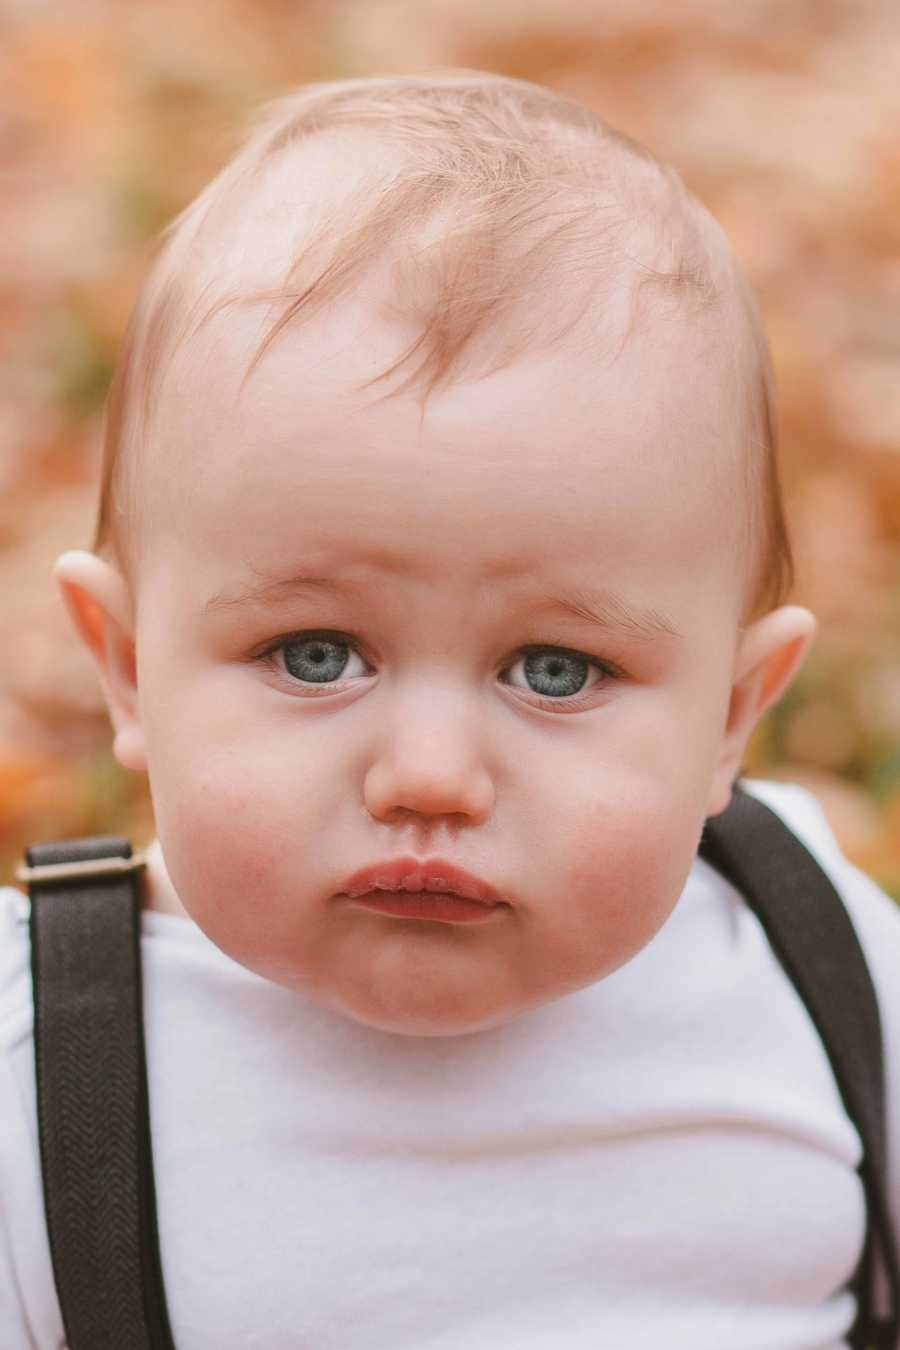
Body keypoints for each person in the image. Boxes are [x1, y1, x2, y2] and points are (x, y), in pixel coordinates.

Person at [1, 69, 898, 1348]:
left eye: (555, 671)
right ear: (128, 668)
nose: (428, 775)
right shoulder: (45, 1074)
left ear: (732, 714)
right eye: (316, 655)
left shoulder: (815, 958)